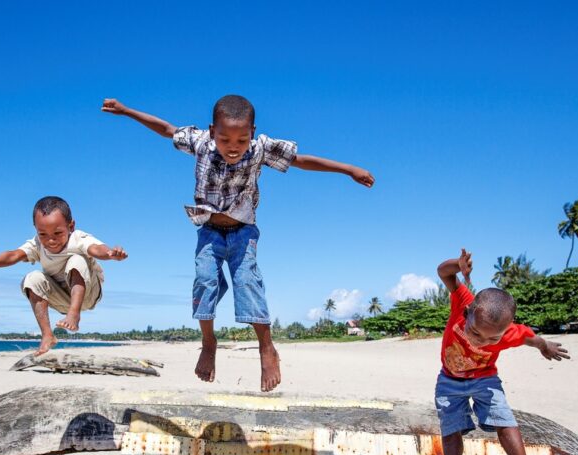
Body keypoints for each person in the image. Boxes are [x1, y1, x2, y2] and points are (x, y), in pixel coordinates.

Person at [101, 94, 374, 392]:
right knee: (204, 281)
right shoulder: (200, 142)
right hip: (208, 231)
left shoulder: (260, 150)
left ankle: (266, 348)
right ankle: (208, 343)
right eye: (225, 139)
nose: (233, 147)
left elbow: (301, 161)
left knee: (247, 282)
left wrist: (348, 169)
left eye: (241, 140)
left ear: (252, 133)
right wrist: (126, 111)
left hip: (243, 231)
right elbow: (166, 128)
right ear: (212, 131)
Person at [436, 248, 570, 455]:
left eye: (491, 340)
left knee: (504, 420)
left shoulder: (508, 333)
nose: (480, 341)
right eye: (474, 332)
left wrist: (545, 346)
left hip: (485, 379)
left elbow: (529, 338)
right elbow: (443, 272)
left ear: (502, 333)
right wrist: (458, 265)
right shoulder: (463, 300)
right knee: (451, 428)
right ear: (469, 312)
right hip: (450, 380)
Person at [0, 196, 127, 355]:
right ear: (36, 230)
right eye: (43, 234)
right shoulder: (37, 245)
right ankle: (47, 336)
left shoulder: (78, 238)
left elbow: (96, 249)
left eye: (58, 233)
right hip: (61, 300)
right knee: (32, 278)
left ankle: (74, 314)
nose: (50, 240)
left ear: (71, 226)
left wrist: (111, 254)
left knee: (77, 260)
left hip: (88, 295)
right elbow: (13, 255)